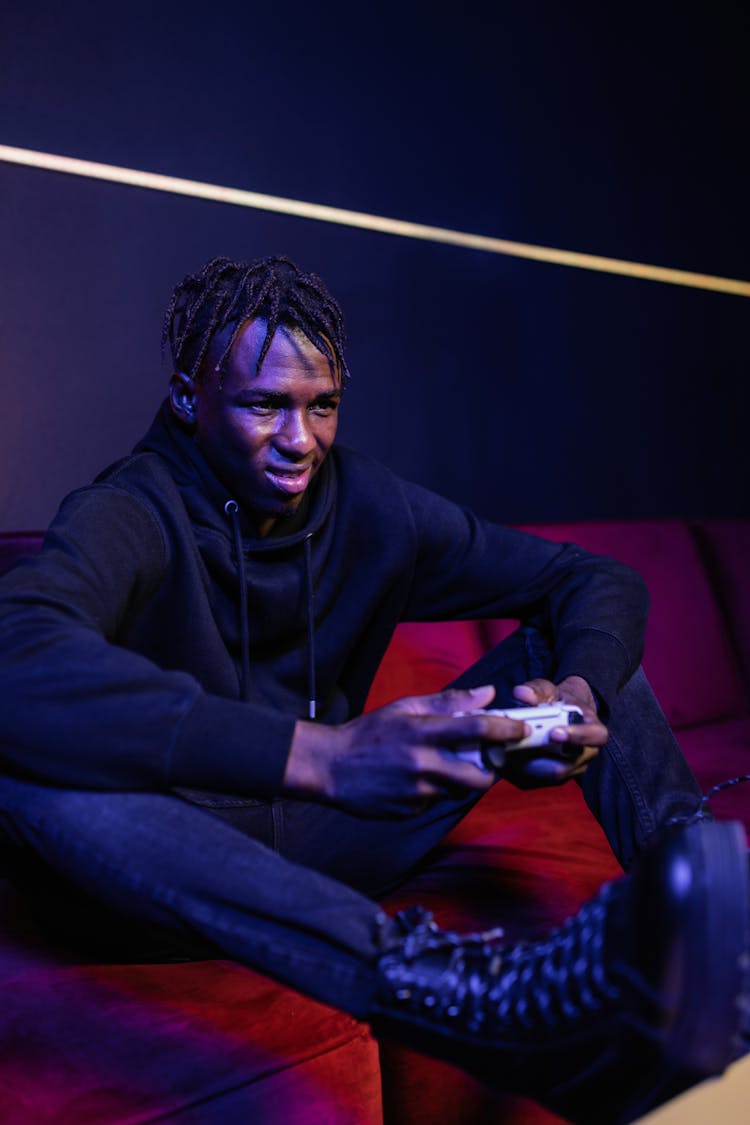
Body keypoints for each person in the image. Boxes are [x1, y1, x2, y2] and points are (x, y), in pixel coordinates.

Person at [0, 254, 746, 1123]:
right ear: (186, 398)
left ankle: (701, 912)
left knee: (588, 640)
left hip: (324, 836)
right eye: (263, 405)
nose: (301, 439)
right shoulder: (132, 508)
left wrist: (573, 698)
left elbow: (593, 577)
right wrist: (327, 754)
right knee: (26, 765)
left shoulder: (365, 504)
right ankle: (458, 992)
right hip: (173, 859)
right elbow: (17, 654)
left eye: (321, 405)